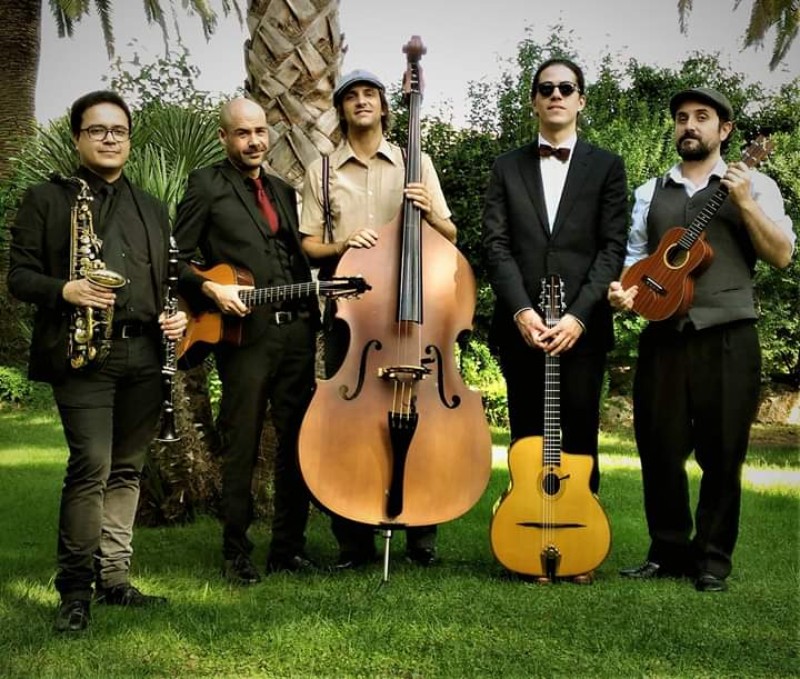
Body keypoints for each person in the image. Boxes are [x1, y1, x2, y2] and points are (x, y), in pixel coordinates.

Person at [7, 90, 187, 632]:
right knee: (92, 466)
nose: (110, 139)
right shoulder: (47, 199)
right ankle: (74, 591)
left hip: (144, 352)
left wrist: (174, 315)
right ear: (77, 138)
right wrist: (67, 289)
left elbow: (167, 281)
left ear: (129, 139)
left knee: (128, 469)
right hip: (82, 352)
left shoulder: (151, 206)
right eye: (97, 130)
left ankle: (114, 580)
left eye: (119, 130)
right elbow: (19, 277)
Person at [609, 87, 794, 592]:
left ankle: (712, 558)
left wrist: (744, 201)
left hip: (730, 334)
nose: (689, 125)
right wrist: (622, 291)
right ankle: (667, 550)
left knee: (723, 452)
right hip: (665, 335)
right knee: (659, 448)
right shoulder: (650, 192)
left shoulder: (757, 184)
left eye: (702, 117)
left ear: (725, 130)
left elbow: (782, 255)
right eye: (681, 118)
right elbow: (635, 260)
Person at [299, 69, 457, 569]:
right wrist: (343, 244)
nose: (362, 101)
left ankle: (422, 531)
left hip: (412, 315)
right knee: (349, 424)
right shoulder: (321, 170)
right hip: (352, 318)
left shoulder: (416, 161)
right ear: (341, 109)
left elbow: (450, 236)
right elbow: (308, 245)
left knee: (423, 416)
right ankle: (353, 540)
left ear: (386, 107)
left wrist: (429, 212)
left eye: (370, 94)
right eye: (351, 96)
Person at [481, 58, 628, 582]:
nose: (556, 95)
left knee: (581, 433)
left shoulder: (607, 166)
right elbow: (495, 245)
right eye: (546, 88)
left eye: (567, 88)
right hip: (521, 327)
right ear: (534, 101)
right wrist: (522, 311)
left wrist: (578, 317)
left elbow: (612, 249)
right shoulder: (506, 167)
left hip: (582, 328)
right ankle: (526, 542)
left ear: (581, 99)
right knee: (527, 436)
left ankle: (581, 545)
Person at [173, 97, 319, 585]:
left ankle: (288, 549)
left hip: (297, 332)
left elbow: (296, 256)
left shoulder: (283, 190)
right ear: (224, 137)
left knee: (297, 441)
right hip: (245, 338)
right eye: (242, 133)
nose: (254, 141)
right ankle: (235, 552)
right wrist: (210, 288)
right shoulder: (205, 185)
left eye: (259, 131)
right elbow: (174, 259)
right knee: (243, 443)